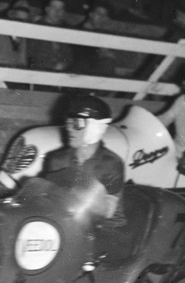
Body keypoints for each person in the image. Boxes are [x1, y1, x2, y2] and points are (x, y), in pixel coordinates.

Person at [41, 95, 127, 230]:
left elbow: (108, 213)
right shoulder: (57, 160)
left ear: (96, 127)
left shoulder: (111, 164)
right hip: (65, 227)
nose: (69, 128)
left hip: (104, 229)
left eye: (76, 123)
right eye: (68, 122)